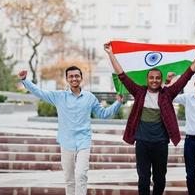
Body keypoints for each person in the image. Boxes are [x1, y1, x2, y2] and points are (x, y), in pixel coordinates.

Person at [104, 42, 195, 195]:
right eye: (151, 78)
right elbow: (122, 75)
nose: (155, 80)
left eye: (158, 78)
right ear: (147, 79)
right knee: (143, 177)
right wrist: (110, 53)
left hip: (160, 143)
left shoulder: (167, 94)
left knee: (160, 178)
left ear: (161, 79)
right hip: (142, 143)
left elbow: (186, 77)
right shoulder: (138, 92)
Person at [18, 66, 123, 195]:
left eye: (77, 76)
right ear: (67, 79)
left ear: (81, 78)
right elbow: (40, 92)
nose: (74, 78)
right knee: (69, 179)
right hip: (66, 142)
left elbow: (103, 114)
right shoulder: (59, 96)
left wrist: (117, 103)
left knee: (81, 176)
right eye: (71, 76)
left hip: (83, 142)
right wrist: (24, 80)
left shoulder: (89, 97)